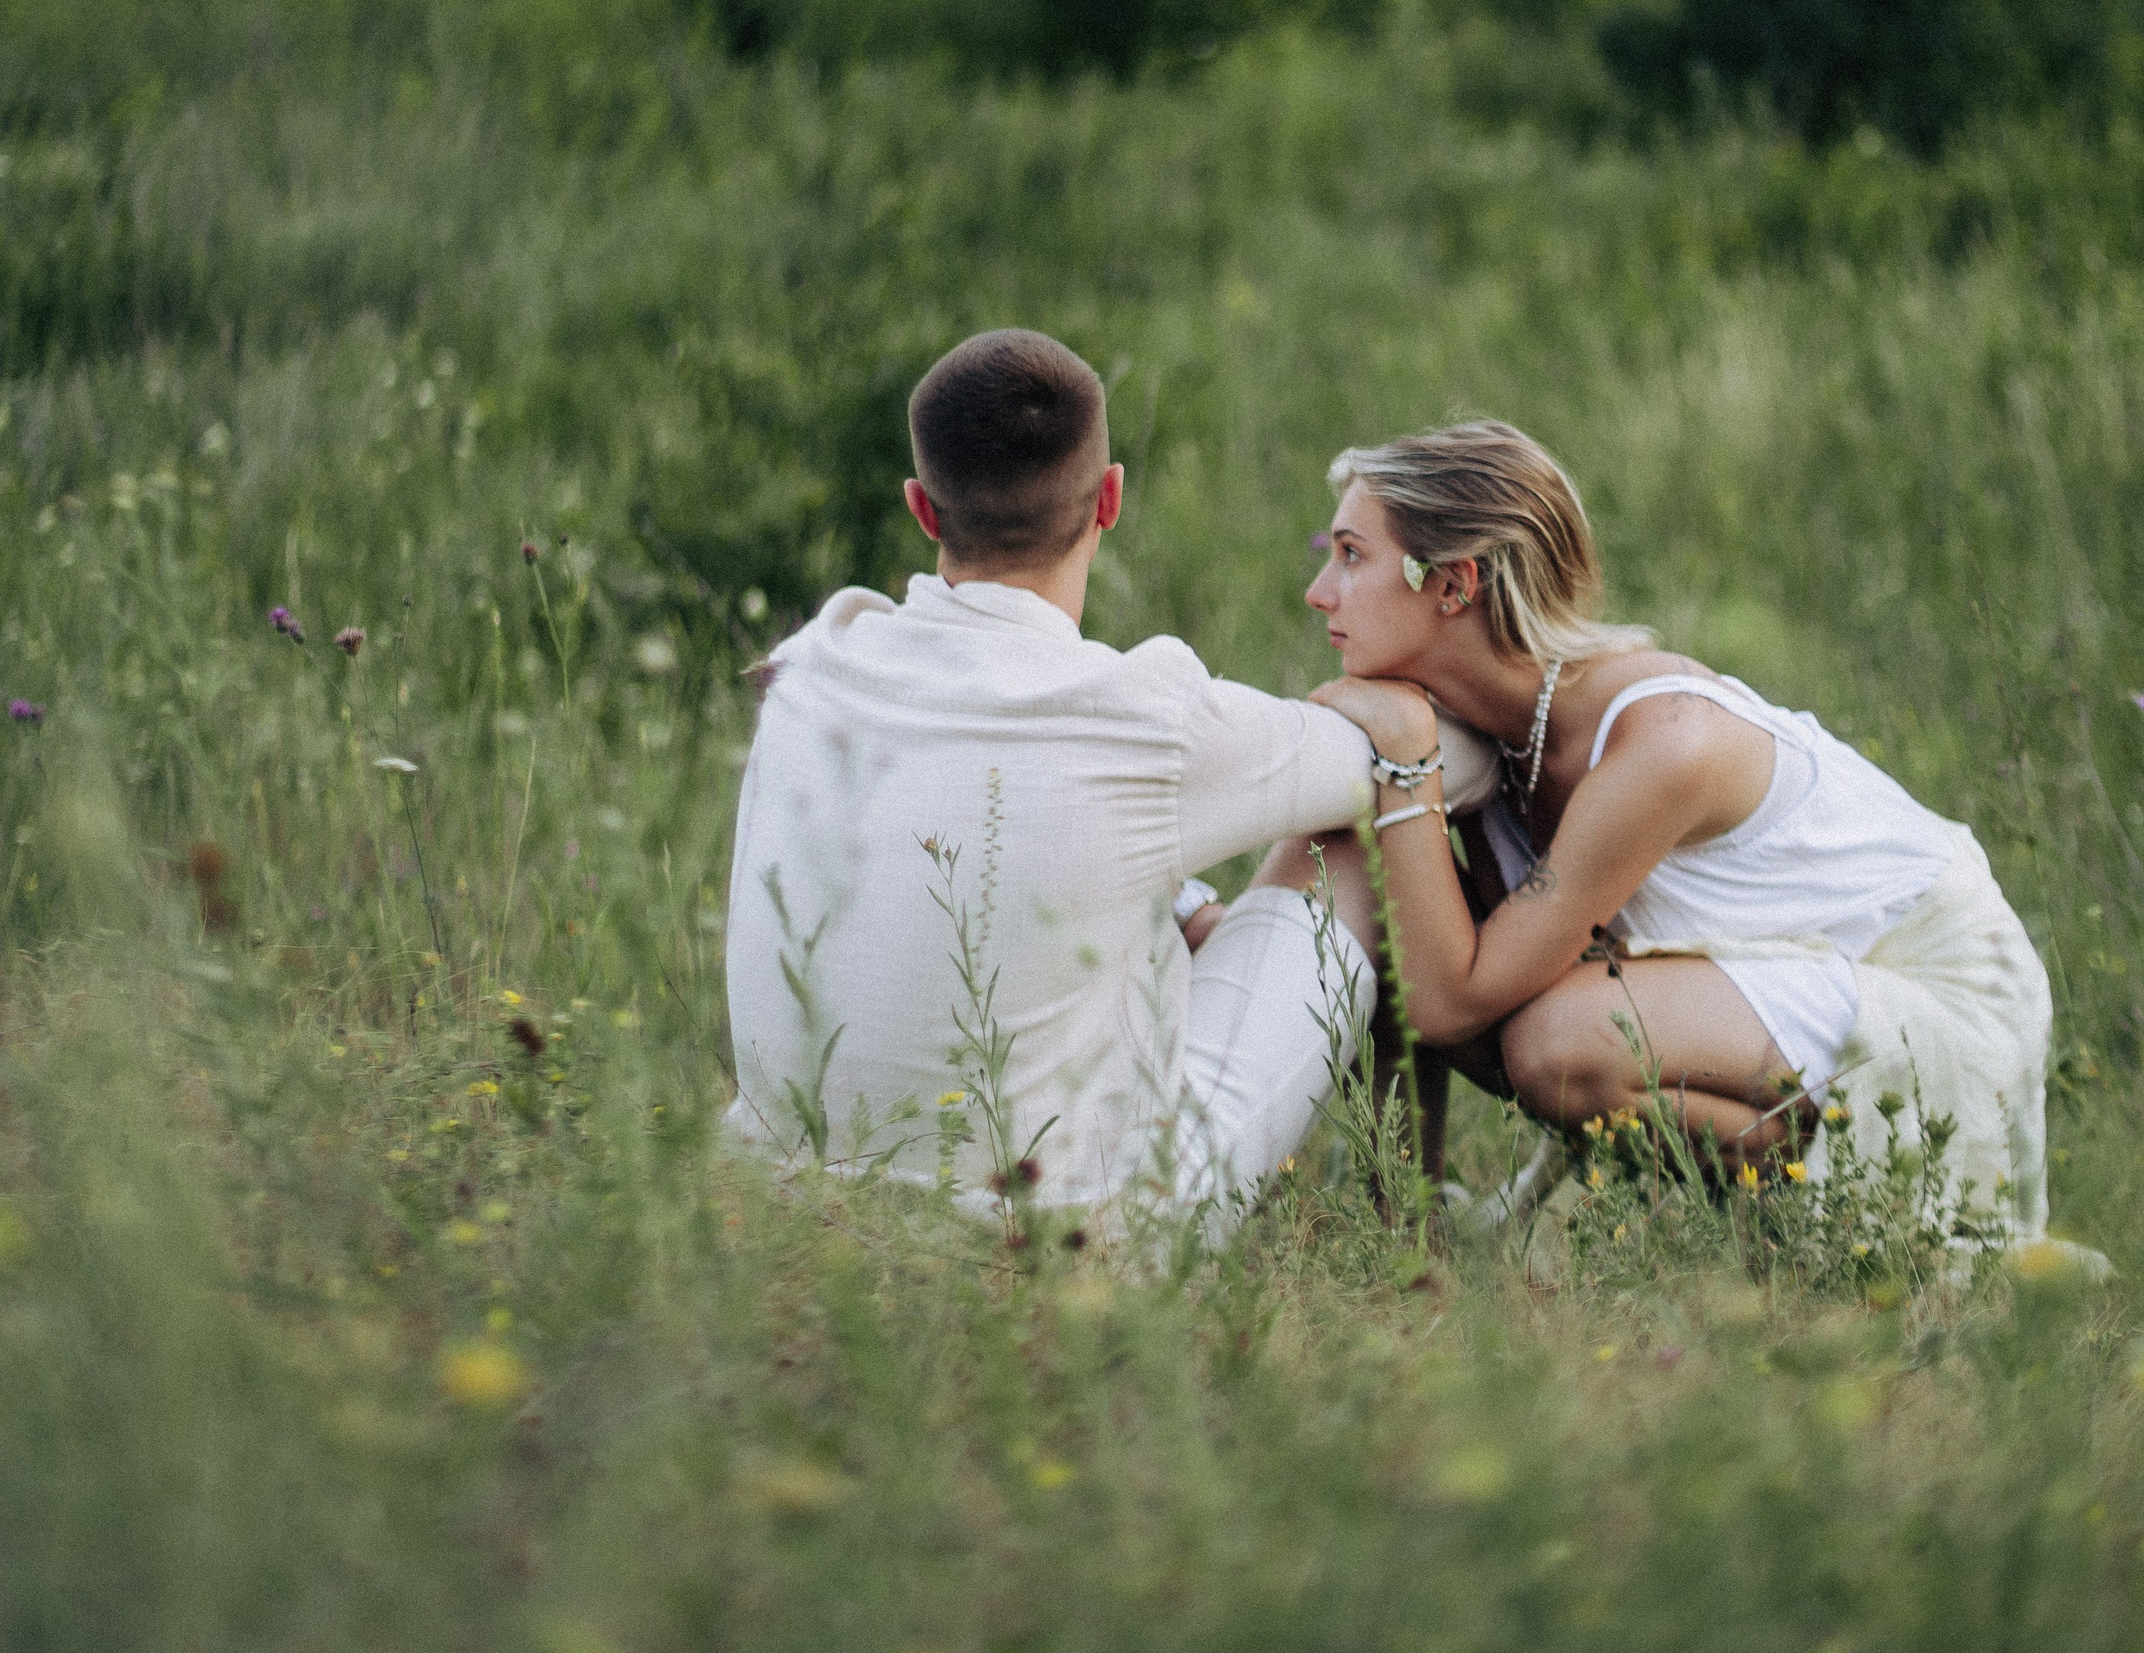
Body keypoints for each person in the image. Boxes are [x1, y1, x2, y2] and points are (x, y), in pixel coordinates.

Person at [723, 329, 1492, 1224]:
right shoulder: (1141, 715)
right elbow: (1454, 764)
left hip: (789, 1195)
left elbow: (967, 811)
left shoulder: (815, 661)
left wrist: (1174, 900)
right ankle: (1414, 1216)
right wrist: (1404, 721)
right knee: (1361, 838)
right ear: (1111, 498)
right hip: (1063, 1239)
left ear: (922, 510)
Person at [1256, 418, 2056, 1245]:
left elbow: (1451, 1000)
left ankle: (1830, 1196)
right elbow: (1426, 956)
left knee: (1557, 1045)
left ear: (1455, 584)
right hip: (1791, 984)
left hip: (1938, 992)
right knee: (1400, 875)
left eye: (1351, 555)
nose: (1321, 591)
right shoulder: (1489, 729)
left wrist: (1404, 750)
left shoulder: (1664, 741)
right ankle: (1408, 1241)